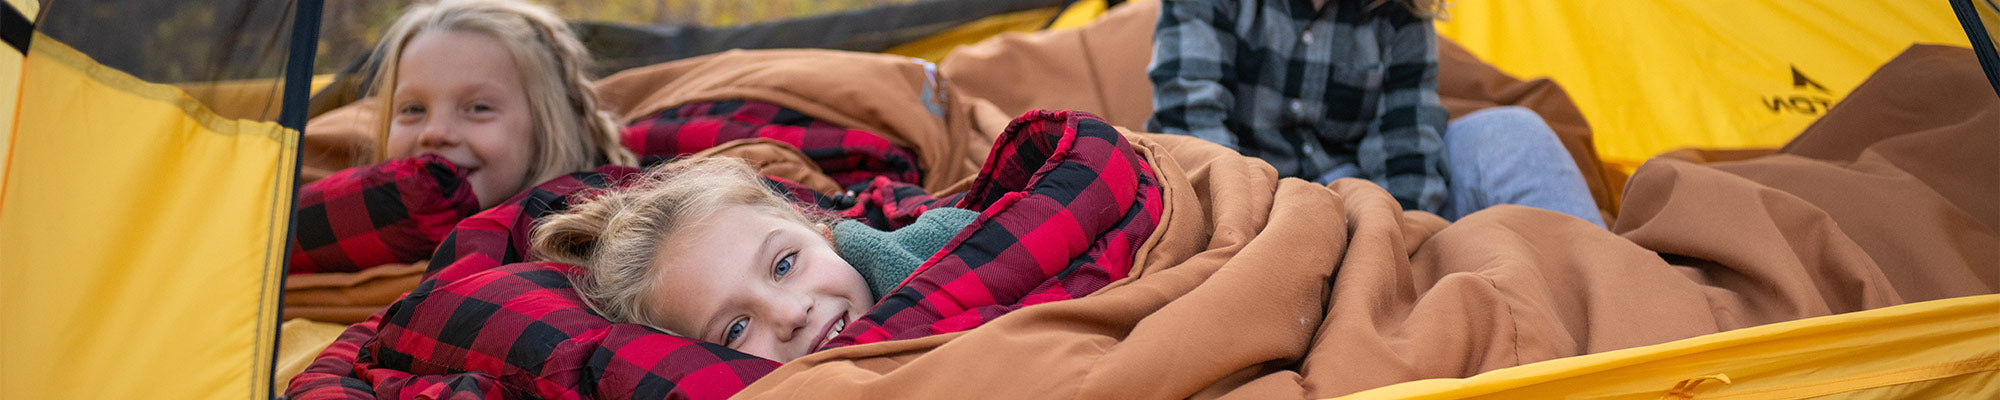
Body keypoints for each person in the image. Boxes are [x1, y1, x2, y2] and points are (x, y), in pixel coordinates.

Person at [1148, 0, 1604, 226]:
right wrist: (1257, 230)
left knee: (1515, 133)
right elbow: (1194, 127)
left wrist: (1393, 241)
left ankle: (1611, 307)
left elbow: (1406, 142)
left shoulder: (1399, 10)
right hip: (1256, 202)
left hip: (1364, 198)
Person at [288, 0, 637, 275]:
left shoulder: (600, 251)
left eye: (478, 107)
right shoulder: (327, 227)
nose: (435, 133)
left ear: (546, 127)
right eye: (412, 109)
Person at [531, 157, 979, 362]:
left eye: (784, 265)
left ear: (825, 238)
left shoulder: (961, 244)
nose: (790, 314)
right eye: (737, 329)